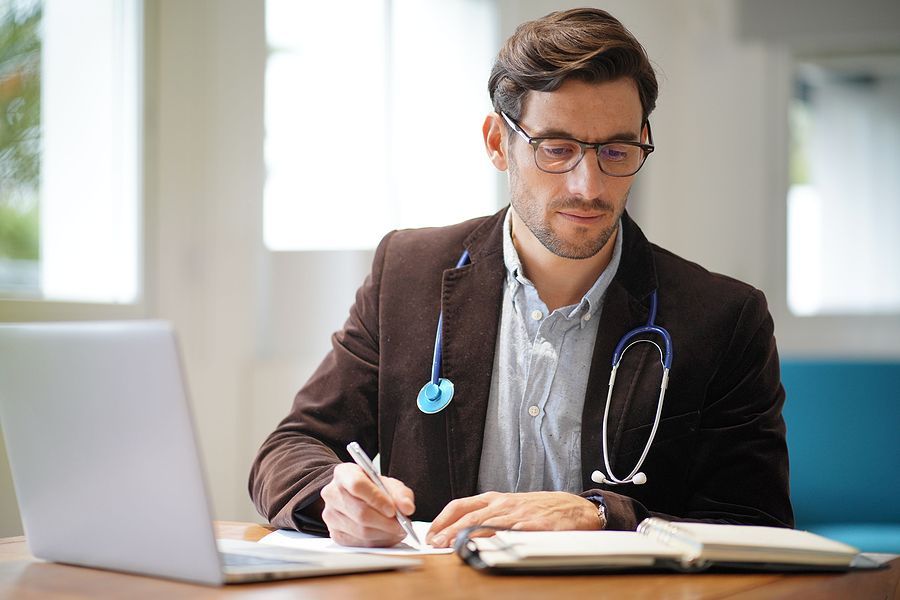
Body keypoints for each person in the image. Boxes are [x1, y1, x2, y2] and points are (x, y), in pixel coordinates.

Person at [249, 7, 793, 549]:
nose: (589, 184)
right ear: (496, 142)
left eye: (616, 151)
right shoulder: (408, 274)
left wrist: (603, 516)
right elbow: (291, 448)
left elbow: (756, 524)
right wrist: (334, 498)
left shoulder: (721, 318)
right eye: (557, 149)